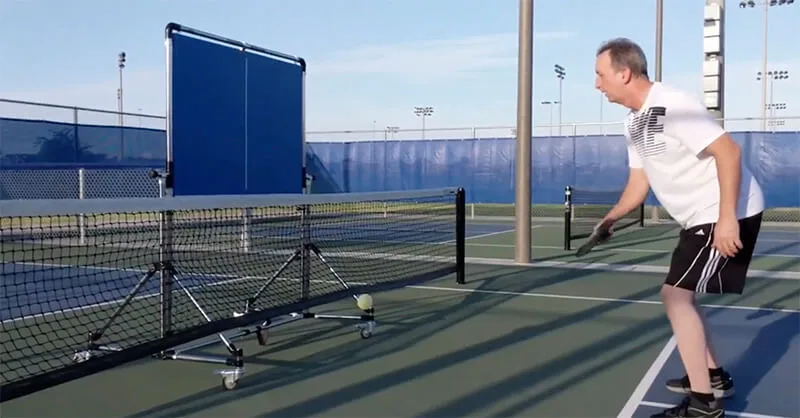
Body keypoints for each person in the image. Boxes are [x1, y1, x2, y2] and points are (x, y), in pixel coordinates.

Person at [593, 38, 764, 418]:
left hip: (724, 210)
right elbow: (639, 184)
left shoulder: (673, 103)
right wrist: (610, 218)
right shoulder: (632, 122)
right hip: (696, 217)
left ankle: (704, 406)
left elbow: (729, 152)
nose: (597, 84)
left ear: (624, 73)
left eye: (601, 75)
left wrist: (726, 218)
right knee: (681, 296)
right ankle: (713, 378)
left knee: (674, 296)